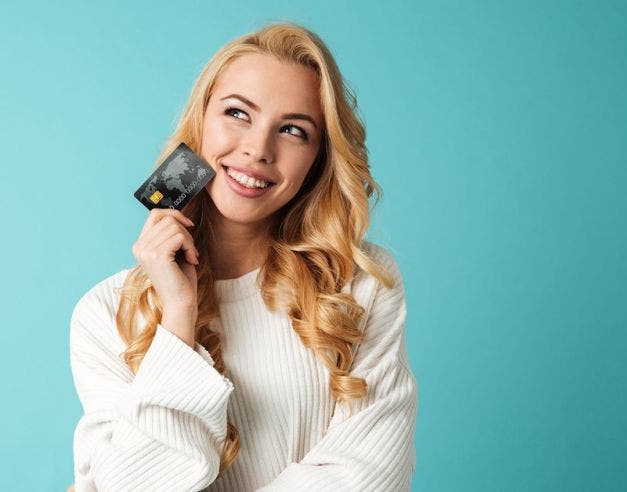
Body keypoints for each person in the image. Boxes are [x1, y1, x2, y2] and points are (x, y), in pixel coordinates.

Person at [68, 21, 417, 492]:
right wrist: (178, 314)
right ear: (199, 125)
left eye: (293, 130)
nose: (257, 149)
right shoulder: (105, 313)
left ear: (318, 159)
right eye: (237, 113)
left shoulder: (357, 287)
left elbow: (370, 476)